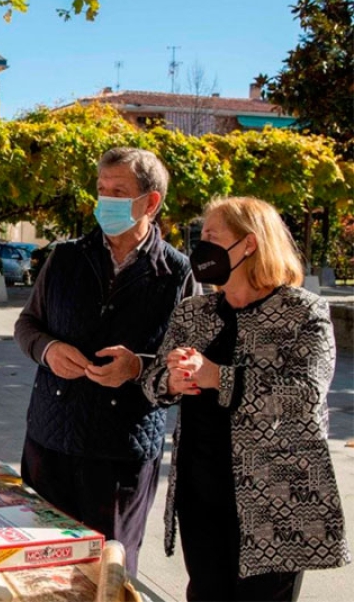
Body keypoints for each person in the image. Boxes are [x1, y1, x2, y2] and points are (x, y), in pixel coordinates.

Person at [142, 196, 350, 601]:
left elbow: (306, 394)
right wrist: (172, 380)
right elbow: (152, 384)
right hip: (201, 492)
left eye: (212, 236)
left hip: (277, 500)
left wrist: (217, 376)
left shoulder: (303, 312)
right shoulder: (193, 311)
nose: (200, 246)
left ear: (249, 244)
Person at [13, 147, 197, 576]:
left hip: (122, 455)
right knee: (36, 570)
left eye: (118, 191)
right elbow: (27, 325)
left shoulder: (177, 272)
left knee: (106, 574)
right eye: (101, 190)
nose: (105, 201)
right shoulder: (64, 258)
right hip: (49, 442)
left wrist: (138, 368)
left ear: (150, 202)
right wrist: (48, 350)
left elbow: (187, 362)